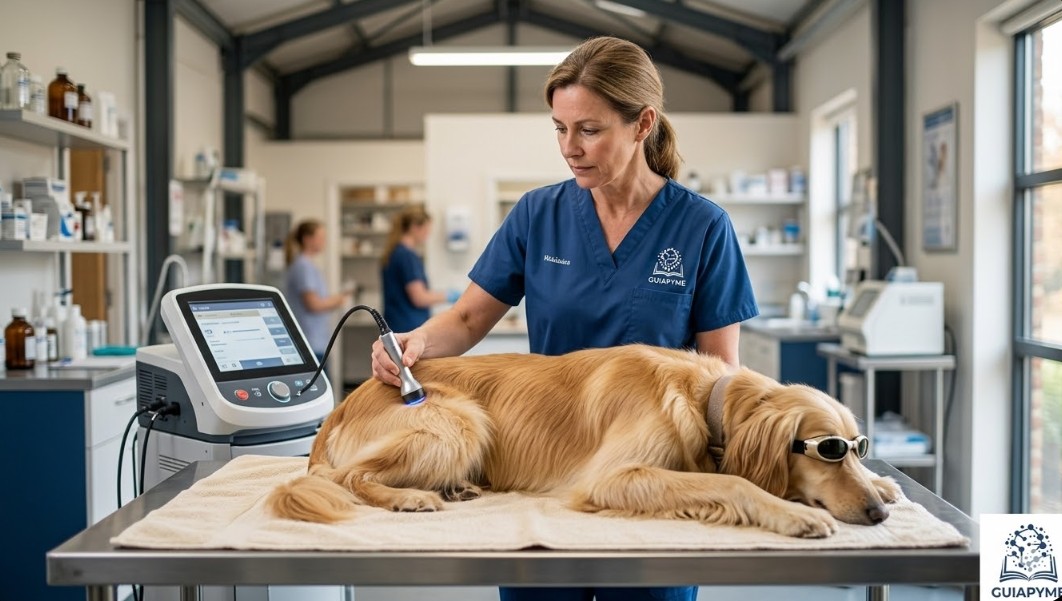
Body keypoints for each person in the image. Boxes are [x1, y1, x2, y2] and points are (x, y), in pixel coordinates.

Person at [371, 35, 758, 601]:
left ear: (642, 123)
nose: (569, 147)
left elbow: (721, 372)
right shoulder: (538, 214)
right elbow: (469, 317)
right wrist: (414, 343)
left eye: (589, 130)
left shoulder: (702, 227)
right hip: (544, 463)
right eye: (559, 127)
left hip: (653, 473)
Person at [285, 219, 352, 369]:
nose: (324, 242)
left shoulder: (307, 264)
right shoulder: (303, 266)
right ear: (307, 239)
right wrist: (339, 300)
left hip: (316, 341)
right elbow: (313, 304)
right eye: (320, 237)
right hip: (309, 342)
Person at [380, 207, 459, 333]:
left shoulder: (394, 253)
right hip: (409, 326)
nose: (428, 234)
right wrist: (449, 296)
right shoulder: (407, 256)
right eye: (427, 229)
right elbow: (419, 298)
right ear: (415, 227)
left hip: (396, 324)